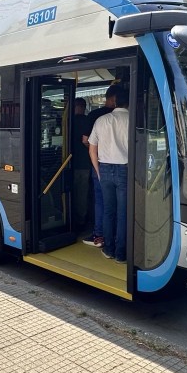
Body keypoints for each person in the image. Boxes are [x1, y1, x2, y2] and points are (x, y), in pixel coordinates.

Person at [88, 85, 129, 263]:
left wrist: (98, 171)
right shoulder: (133, 120)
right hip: (125, 170)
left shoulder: (101, 120)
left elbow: (92, 149)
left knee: (108, 211)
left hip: (104, 169)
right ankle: (121, 254)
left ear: (114, 101)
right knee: (123, 213)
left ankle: (109, 249)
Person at [81, 85, 117, 247]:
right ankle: (116, 236)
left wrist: (99, 153)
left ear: (108, 98)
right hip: (123, 166)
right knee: (118, 203)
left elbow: (85, 140)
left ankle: (99, 235)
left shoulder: (96, 116)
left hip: (100, 164)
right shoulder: (129, 116)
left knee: (101, 201)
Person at [71, 97, 92, 233]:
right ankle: (81, 220)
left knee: (70, 192)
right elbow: (87, 141)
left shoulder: (67, 121)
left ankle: (69, 218)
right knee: (82, 193)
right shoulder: (88, 121)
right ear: (84, 107)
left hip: (68, 164)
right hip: (85, 163)